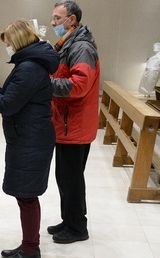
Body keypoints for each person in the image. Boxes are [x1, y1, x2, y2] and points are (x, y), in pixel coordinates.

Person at [0, 19, 59, 258]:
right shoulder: (29, 64)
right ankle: (29, 244)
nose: (6, 47)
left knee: (27, 196)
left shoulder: (28, 67)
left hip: (31, 139)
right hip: (29, 136)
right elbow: (13, 94)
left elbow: (7, 105)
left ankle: (30, 250)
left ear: (16, 42)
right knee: (25, 194)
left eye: (7, 42)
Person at [47, 0, 100, 244]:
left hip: (75, 124)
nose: (53, 23)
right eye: (53, 18)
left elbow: (79, 86)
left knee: (71, 177)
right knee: (64, 176)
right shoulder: (68, 43)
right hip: (67, 123)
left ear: (72, 20)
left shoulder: (81, 47)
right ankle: (69, 219)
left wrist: (45, 85)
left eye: (58, 18)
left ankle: (78, 227)